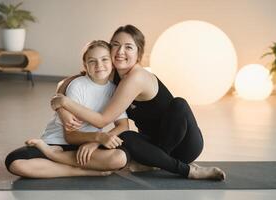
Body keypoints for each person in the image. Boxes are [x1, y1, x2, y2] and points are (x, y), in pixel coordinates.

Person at [52, 25, 226, 180]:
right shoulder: (113, 73)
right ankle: (156, 161)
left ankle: (187, 170)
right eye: (116, 45)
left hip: (183, 143)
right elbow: (67, 82)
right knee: (125, 136)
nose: (120, 52)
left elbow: (102, 120)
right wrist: (61, 108)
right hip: (153, 143)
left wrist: (66, 104)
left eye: (128, 47)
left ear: (138, 54)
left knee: (179, 103)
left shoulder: (137, 77)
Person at [5, 40, 129, 178]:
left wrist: (95, 142)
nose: (99, 65)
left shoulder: (115, 90)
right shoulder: (77, 86)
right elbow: (71, 136)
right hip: (57, 143)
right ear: (85, 66)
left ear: (112, 61)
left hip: (86, 144)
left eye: (104, 59)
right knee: (15, 163)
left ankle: (59, 166)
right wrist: (99, 137)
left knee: (119, 158)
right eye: (92, 61)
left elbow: (123, 125)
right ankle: (81, 171)